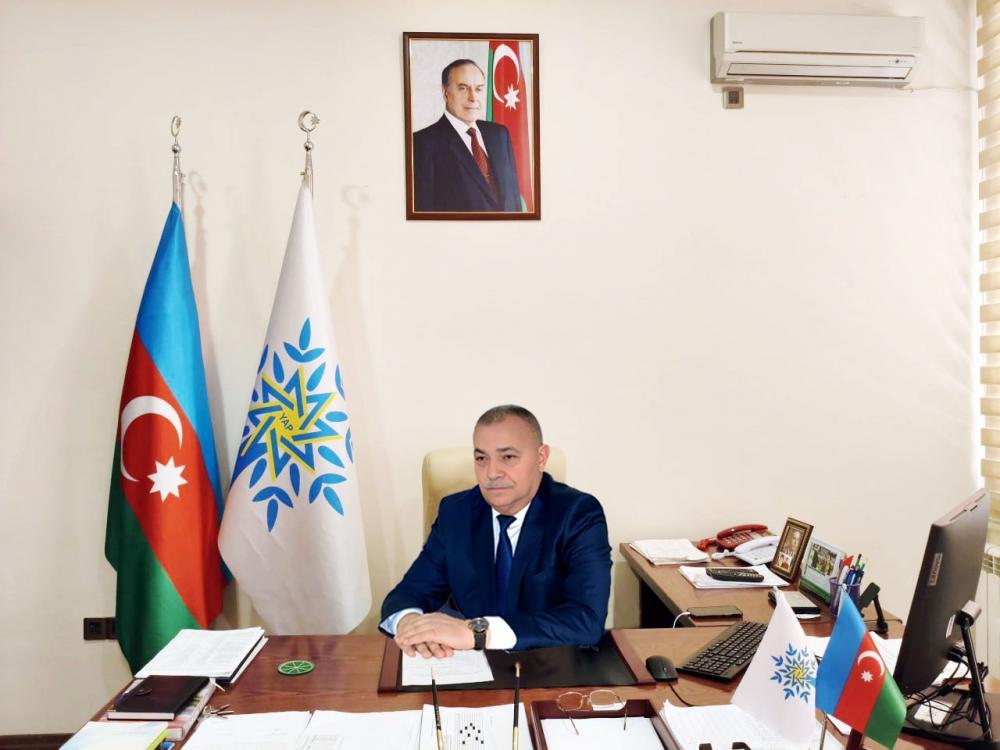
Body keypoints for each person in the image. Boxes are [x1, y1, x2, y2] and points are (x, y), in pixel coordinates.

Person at [380, 405, 611, 657]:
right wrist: (411, 624)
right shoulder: (456, 513)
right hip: (471, 667)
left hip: (550, 666)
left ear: (541, 457)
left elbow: (586, 621)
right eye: (481, 458)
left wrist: (478, 633)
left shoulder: (578, 514)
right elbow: (409, 593)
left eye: (508, 457)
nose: (491, 473)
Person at [412, 59, 522, 212]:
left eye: (479, 89)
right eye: (463, 88)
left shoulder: (500, 135)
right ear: (445, 93)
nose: (473, 98)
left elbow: (514, 200)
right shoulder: (422, 143)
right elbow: (424, 214)